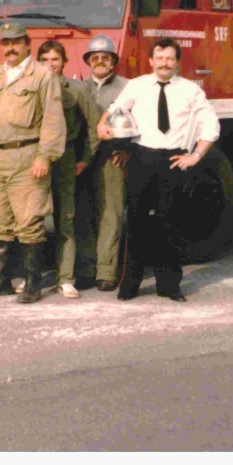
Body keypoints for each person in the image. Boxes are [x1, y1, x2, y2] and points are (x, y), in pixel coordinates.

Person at [100, 37, 220, 301]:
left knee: (170, 221)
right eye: (159, 58)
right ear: (151, 61)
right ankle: (130, 285)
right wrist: (102, 126)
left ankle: (169, 285)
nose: (164, 63)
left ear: (177, 62)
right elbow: (114, 110)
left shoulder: (190, 90)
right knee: (137, 222)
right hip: (142, 158)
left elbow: (210, 123)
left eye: (169, 58)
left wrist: (196, 155)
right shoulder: (137, 85)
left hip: (173, 159)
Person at [0, 23, 65, 304]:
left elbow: (52, 119)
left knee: (29, 221)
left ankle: (33, 283)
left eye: (15, 42)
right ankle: (1, 279)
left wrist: (44, 156)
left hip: (27, 157)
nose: (9, 48)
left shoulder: (42, 76)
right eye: (5, 43)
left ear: (27, 44)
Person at [36, 40, 99, 300]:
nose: (50, 64)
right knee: (33, 220)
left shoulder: (76, 89)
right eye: (45, 59)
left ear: (64, 62)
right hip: (36, 158)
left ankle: (65, 278)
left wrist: (85, 159)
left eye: (55, 59)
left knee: (66, 220)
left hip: (66, 157)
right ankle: (34, 278)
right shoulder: (31, 87)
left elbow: (94, 127)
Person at [77, 35, 130, 290]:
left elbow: (140, 122)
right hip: (85, 158)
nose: (100, 61)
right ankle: (87, 269)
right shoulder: (80, 88)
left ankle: (107, 272)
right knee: (85, 213)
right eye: (95, 57)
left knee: (110, 213)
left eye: (105, 57)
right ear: (88, 61)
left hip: (112, 157)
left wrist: (127, 150)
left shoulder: (126, 87)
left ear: (112, 62)